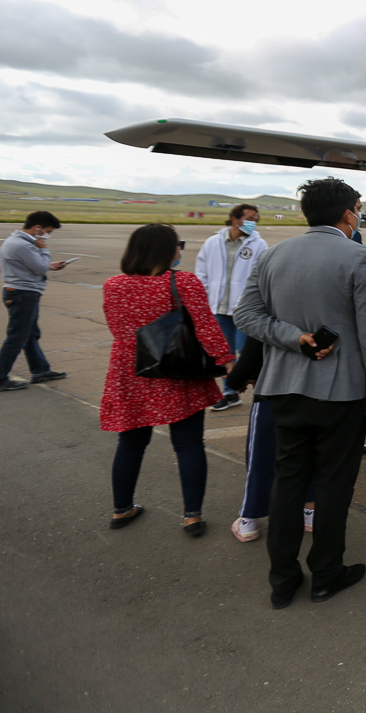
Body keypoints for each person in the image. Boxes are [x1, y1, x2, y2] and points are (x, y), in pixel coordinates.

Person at [233, 177, 366, 609]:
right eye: (358, 207)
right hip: (341, 395)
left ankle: (282, 581)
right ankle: (326, 574)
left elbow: (246, 314)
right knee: (334, 486)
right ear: (347, 213)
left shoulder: (273, 255)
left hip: (283, 389)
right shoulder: (359, 257)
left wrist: (293, 338)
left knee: (287, 483)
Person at [101, 223, 235, 535]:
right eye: (178, 244)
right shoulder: (183, 282)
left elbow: (116, 327)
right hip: (177, 369)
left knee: (130, 443)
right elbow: (205, 327)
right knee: (188, 444)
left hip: (131, 370)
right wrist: (227, 361)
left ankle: (122, 509)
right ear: (166, 250)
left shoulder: (113, 285)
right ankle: (191, 516)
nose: (180, 250)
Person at [225, 336, 318, 543]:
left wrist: (235, 380)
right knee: (309, 452)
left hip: (271, 392)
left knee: (262, 454)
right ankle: (310, 512)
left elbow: (253, 348)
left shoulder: (269, 308)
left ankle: (250, 518)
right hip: (313, 390)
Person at [198, 203, 268, 412]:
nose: (254, 222)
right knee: (224, 353)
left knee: (246, 352)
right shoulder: (212, 243)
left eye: (256, 219)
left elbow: (261, 277)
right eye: (250, 218)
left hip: (243, 310)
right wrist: (205, 299)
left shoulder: (258, 244)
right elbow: (202, 273)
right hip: (218, 308)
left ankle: (259, 390)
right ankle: (229, 393)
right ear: (236, 219)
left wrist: (249, 303)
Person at [0, 211, 71, 392]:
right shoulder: (22, 245)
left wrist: (49, 265)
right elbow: (39, 268)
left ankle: (40, 370)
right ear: (37, 228)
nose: (47, 236)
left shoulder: (17, 241)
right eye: (48, 231)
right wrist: (43, 249)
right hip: (23, 295)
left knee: (29, 335)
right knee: (17, 338)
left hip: (21, 293)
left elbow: (33, 266)